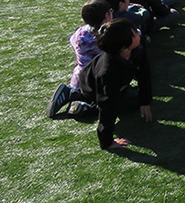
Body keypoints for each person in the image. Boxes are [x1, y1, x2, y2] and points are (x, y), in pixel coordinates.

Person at [47, 18, 152, 149]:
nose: (138, 32)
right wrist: (107, 142)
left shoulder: (137, 48)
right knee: (118, 104)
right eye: (134, 32)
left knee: (136, 101)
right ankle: (76, 97)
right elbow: (107, 104)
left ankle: (79, 97)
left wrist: (145, 101)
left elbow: (144, 74)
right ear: (124, 47)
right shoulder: (108, 72)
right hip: (93, 89)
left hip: (117, 85)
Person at [66, 0, 112, 90]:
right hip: (101, 80)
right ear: (107, 16)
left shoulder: (80, 33)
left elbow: (72, 40)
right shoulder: (109, 35)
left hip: (80, 78)